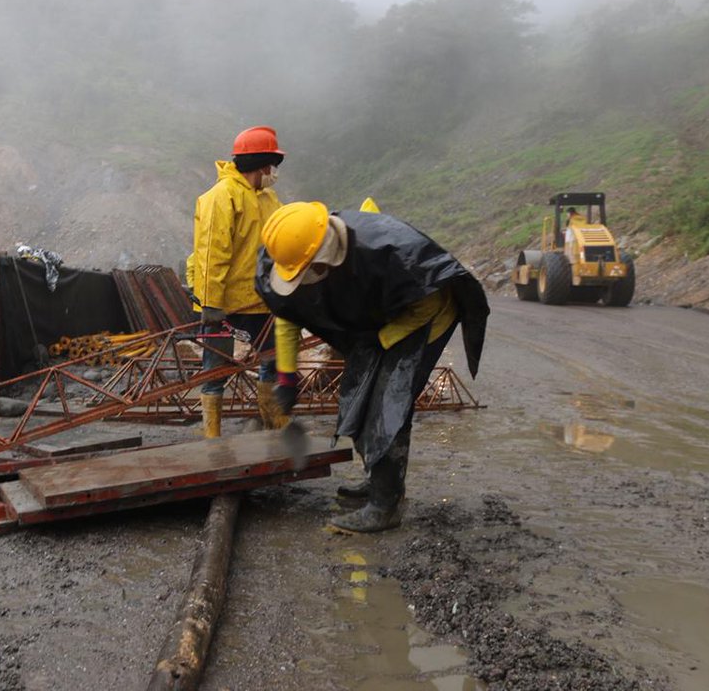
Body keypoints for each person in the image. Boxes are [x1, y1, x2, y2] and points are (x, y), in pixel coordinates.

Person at [256, 201, 489, 533]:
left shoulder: (388, 251)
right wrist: (287, 377)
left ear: (323, 257)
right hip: (376, 324)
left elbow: (428, 302)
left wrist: (380, 341)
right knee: (357, 395)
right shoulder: (284, 255)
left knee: (387, 405)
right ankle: (377, 480)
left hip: (421, 318)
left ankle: (385, 505)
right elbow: (288, 316)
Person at [187, 126, 286, 437]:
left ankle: (273, 425)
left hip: (260, 299)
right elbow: (210, 254)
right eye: (273, 164)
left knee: (274, 361)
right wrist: (211, 303)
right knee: (215, 370)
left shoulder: (269, 199)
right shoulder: (221, 197)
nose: (274, 171)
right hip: (223, 303)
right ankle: (211, 434)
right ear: (261, 163)